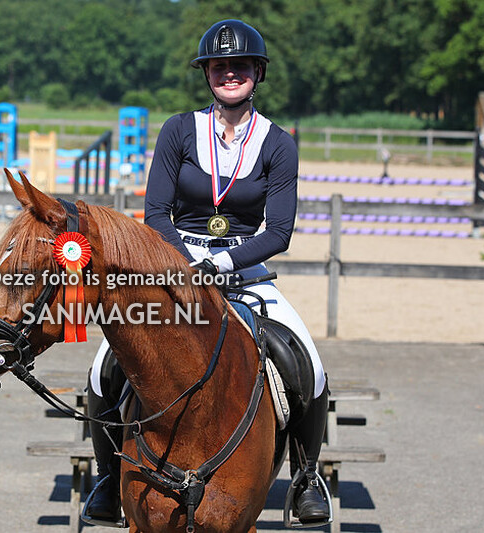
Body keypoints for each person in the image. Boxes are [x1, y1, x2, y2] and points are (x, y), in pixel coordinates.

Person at [83, 19, 330, 527]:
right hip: (175, 267)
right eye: (219, 67)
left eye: (239, 66)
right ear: (207, 75)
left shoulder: (278, 144)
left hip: (245, 271)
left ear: (257, 73)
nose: (228, 74)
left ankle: (307, 477)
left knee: (307, 361)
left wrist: (218, 263)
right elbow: (155, 214)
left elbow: (279, 231)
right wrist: (184, 264)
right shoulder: (178, 130)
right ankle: (109, 475)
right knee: (104, 364)